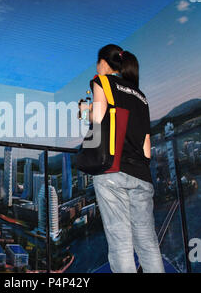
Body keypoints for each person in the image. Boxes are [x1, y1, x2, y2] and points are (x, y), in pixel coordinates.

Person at [79, 44, 165, 273]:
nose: (97, 67)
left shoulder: (102, 81)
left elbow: (97, 118)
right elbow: (147, 146)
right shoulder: (141, 96)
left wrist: (83, 110)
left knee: (120, 242)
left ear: (104, 64)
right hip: (142, 175)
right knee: (147, 241)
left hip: (112, 172)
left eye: (98, 62)